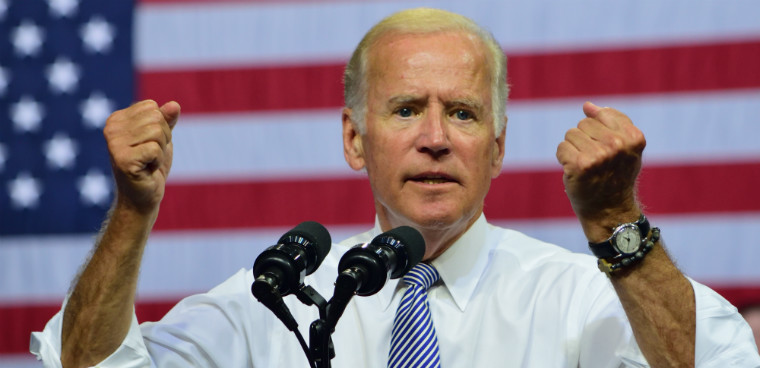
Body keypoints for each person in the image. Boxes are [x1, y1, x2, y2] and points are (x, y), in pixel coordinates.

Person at [31, 8, 759, 367]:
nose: (435, 137)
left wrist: (615, 218)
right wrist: (132, 213)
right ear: (355, 139)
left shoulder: (578, 300)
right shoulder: (273, 303)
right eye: (407, 109)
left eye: (464, 113)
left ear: (498, 147)